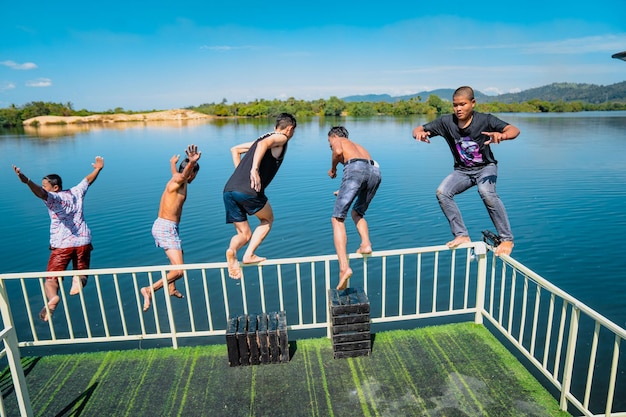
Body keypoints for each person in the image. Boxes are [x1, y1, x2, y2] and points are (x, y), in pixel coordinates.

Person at [411, 86, 520, 256]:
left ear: (473, 103)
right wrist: (419, 134)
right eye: (455, 105)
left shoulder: (485, 120)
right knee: (442, 192)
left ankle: (506, 238)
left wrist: (502, 135)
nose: (458, 109)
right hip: (462, 172)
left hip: (486, 168)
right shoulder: (446, 122)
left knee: (486, 191)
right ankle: (461, 235)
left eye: (463, 104)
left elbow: (514, 130)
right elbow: (418, 129)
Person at [13, 156, 104, 321]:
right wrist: (98, 168)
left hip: (62, 245)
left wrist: (27, 181)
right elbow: (88, 180)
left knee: (51, 279)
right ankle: (77, 280)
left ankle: (53, 298)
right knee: (82, 273)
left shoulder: (53, 198)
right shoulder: (76, 192)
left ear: (55, 188)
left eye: (46, 186)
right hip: (83, 241)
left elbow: (39, 193)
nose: (43, 188)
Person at [223, 113, 297, 279]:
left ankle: (232, 251)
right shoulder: (281, 138)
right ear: (290, 129)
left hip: (229, 190)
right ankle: (249, 255)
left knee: (244, 235)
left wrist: (240, 175)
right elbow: (265, 143)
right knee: (267, 219)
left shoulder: (262, 139)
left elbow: (235, 149)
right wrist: (254, 170)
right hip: (249, 192)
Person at [141, 144, 201, 312]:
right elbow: (181, 175)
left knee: (177, 258)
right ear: (192, 173)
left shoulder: (176, 178)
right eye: (194, 174)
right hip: (166, 227)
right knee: (179, 270)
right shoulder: (178, 180)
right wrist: (191, 162)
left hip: (168, 226)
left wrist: (172, 162)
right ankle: (148, 290)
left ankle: (171, 288)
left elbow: (177, 173)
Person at [327, 126, 382, 290]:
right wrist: (343, 191)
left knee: (337, 218)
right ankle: (366, 244)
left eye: (329, 143)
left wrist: (333, 168)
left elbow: (339, 153)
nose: (331, 146)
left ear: (334, 136)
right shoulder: (358, 146)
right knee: (357, 212)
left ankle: (344, 268)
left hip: (356, 170)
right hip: (375, 171)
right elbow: (363, 172)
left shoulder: (338, 140)